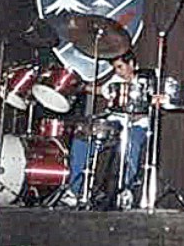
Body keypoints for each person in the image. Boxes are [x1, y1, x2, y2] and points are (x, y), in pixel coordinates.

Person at [62, 51, 153, 209]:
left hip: (137, 126)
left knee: (131, 141)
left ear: (131, 63)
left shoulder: (147, 79)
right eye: (115, 68)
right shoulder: (116, 80)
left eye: (120, 67)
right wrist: (81, 87)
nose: (117, 71)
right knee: (83, 138)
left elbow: (157, 101)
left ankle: (126, 190)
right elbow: (101, 90)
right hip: (113, 126)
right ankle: (75, 191)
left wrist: (146, 109)